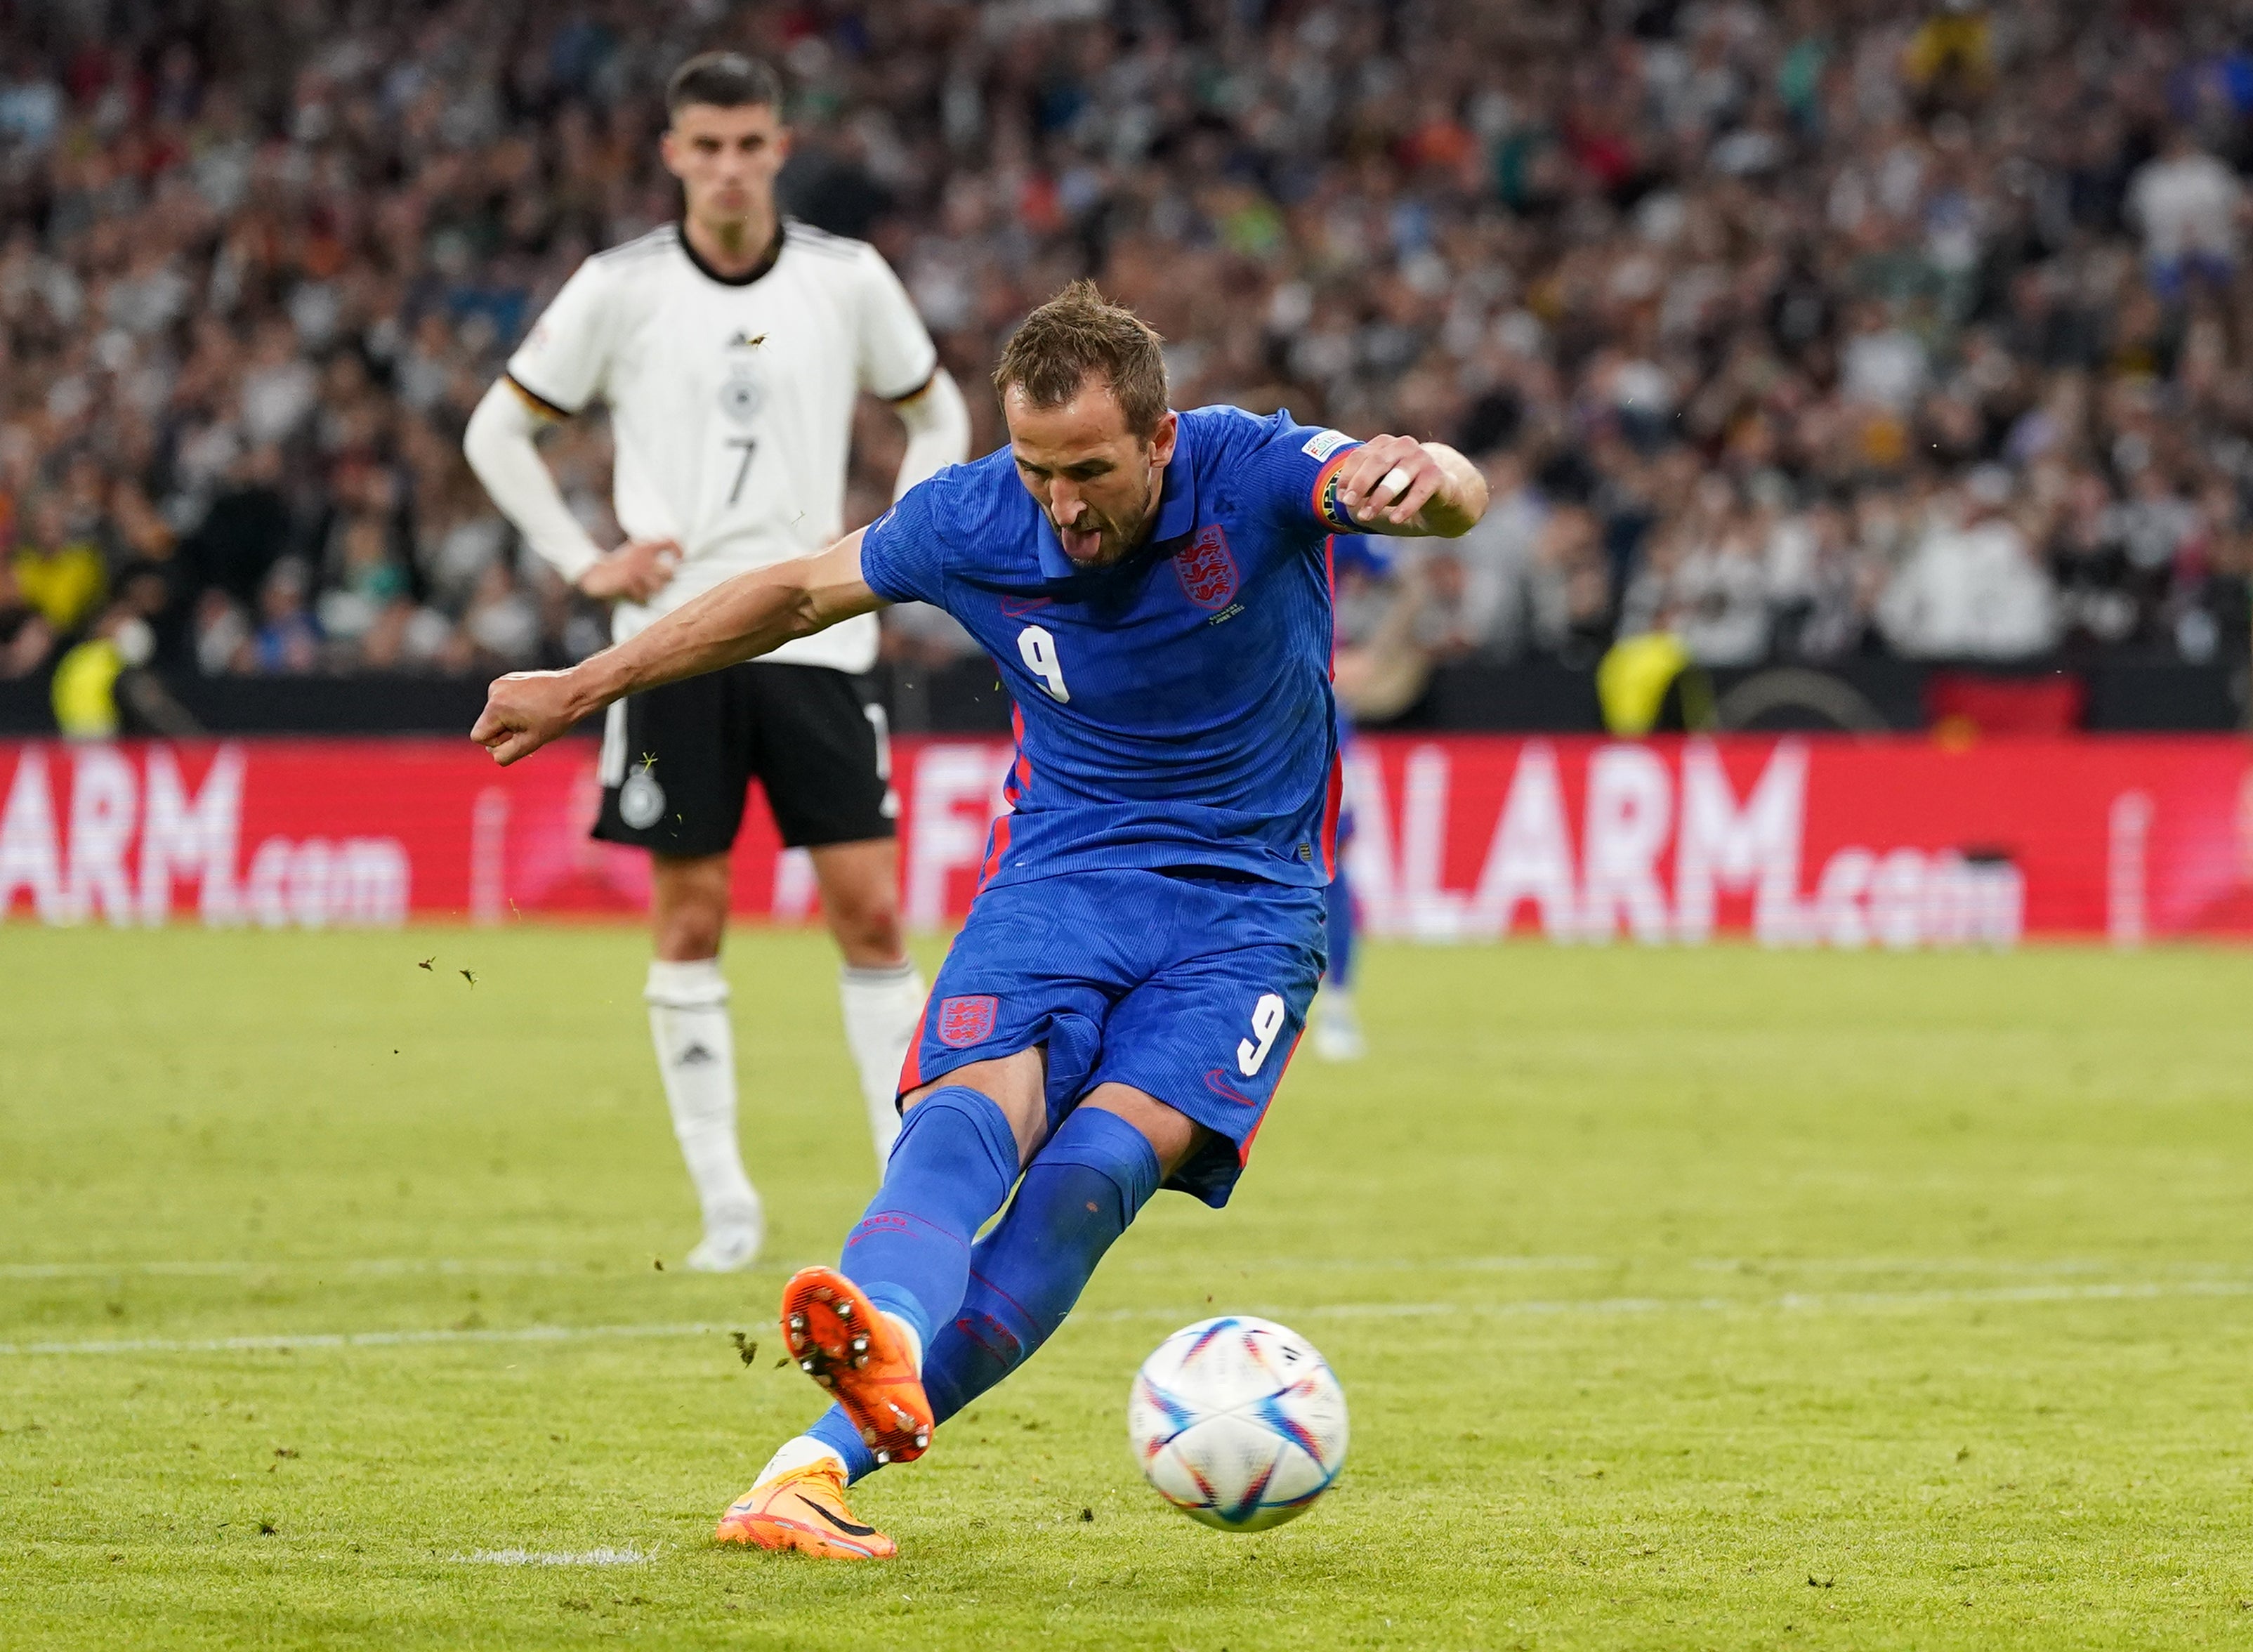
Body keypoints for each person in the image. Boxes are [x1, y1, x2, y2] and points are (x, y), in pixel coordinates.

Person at [469, 281, 1488, 1558]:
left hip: (1245, 914)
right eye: (1036, 468)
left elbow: (1447, 494)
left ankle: (804, 1471)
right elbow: (793, 596)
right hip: (1059, 880)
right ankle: (884, 1332)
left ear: (1161, 441)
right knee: (969, 1114)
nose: (1061, 505)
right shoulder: (974, 517)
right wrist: (585, 683)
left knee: (1087, 1185)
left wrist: (1426, 470)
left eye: (1092, 471)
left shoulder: (1249, 466)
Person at [463, 53, 971, 1272]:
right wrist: (585, 561)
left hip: (821, 625)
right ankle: (725, 1204)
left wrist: (894, 542)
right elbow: (500, 429)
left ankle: (898, 1188)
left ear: (781, 147)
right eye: (709, 146)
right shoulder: (619, 287)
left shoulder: (847, 280)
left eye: (751, 143)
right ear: (673, 153)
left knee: (868, 909)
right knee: (690, 919)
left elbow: (939, 412)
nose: (731, 166)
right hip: (673, 643)